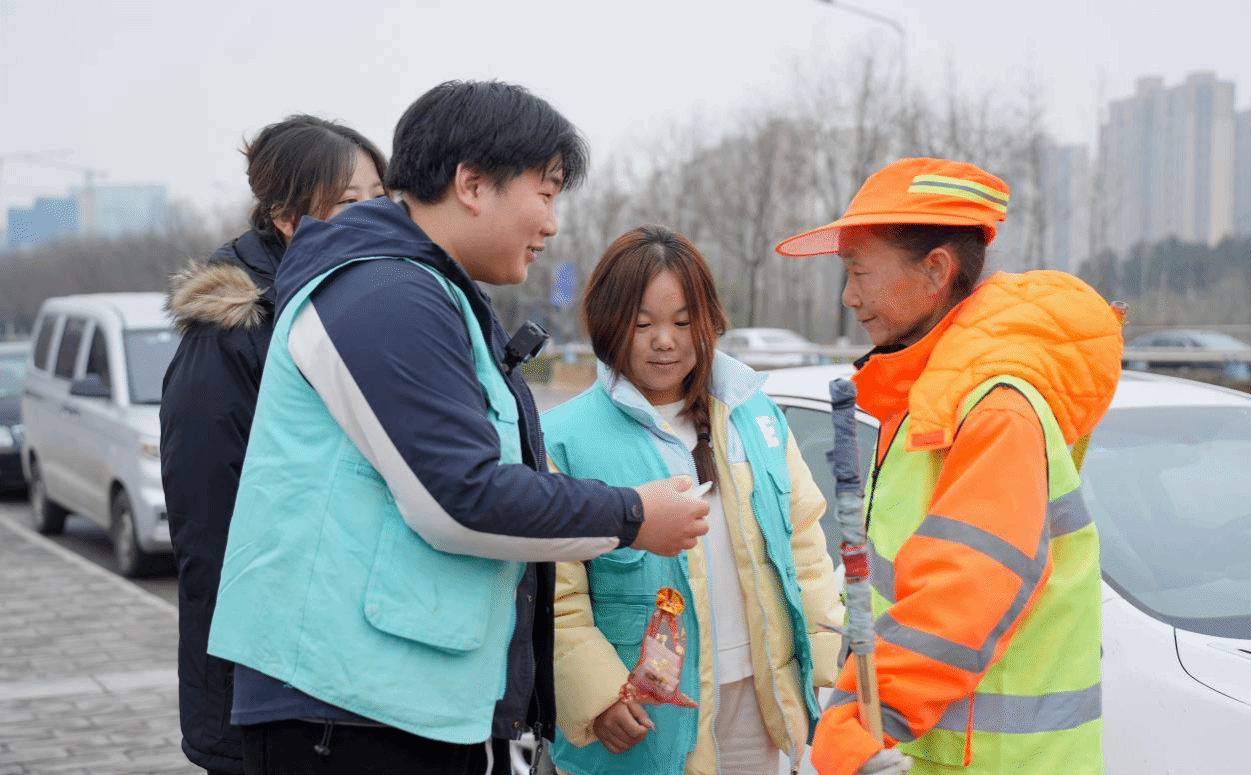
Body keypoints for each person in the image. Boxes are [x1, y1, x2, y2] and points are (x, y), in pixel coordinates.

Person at [203, 80, 710, 775]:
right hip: (346, 714)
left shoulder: (425, 291)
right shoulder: (385, 293)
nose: (552, 223)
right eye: (546, 192)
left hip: (394, 700)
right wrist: (634, 515)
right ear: (471, 184)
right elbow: (460, 498)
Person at [775, 157, 1123, 775]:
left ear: (936, 270)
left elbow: (964, 589)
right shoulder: (934, 395)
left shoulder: (992, 408)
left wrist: (857, 722)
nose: (849, 297)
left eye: (858, 272)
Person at [542, 225, 844, 775]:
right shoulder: (563, 438)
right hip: (641, 716)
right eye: (643, 324)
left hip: (758, 703)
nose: (665, 341)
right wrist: (598, 696)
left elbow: (804, 542)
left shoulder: (754, 415)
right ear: (609, 324)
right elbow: (555, 594)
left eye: (683, 322)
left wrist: (825, 656)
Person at [160, 114, 387, 775]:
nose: (376, 216)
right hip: (263, 683)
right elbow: (210, 527)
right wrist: (253, 685)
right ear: (287, 218)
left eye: (381, 197)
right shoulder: (232, 333)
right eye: (349, 202)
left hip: (340, 664)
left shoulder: (351, 301)